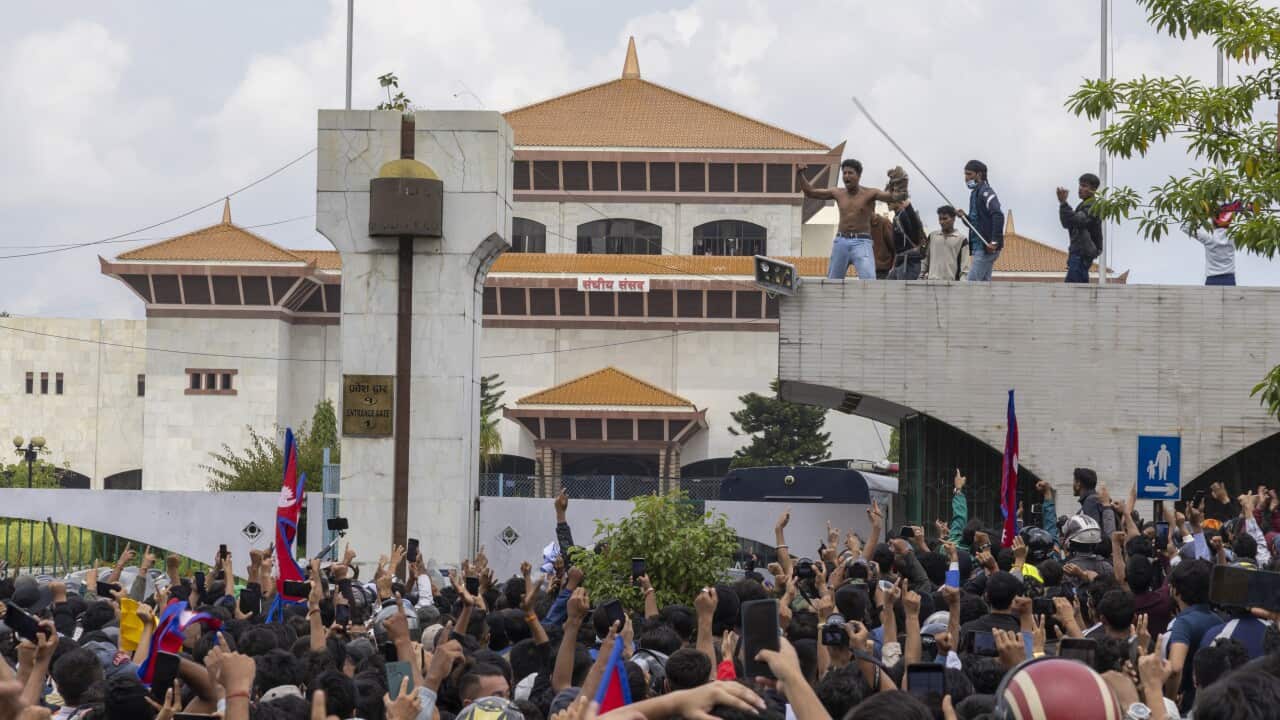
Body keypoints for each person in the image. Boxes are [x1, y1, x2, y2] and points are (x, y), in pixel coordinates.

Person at [797, 160, 908, 281]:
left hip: (862, 242)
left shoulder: (870, 193)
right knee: (833, 282)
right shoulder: (837, 193)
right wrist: (800, 173)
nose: (846, 176)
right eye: (844, 173)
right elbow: (810, 192)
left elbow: (893, 196)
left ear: (859, 176)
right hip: (841, 241)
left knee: (869, 281)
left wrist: (897, 183)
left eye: (850, 173)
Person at [960, 160, 1004, 281]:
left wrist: (994, 242)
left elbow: (998, 215)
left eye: (969, 174)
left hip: (985, 247)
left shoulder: (986, 192)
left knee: (971, 285)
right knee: (984, 286)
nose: (966, 178)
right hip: (979, 247)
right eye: (965, 174)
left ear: (979, 175)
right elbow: (974, 224)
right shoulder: (975, 194)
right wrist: (964, 217)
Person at [1057, 173, 1103, 283]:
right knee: (1079, 293)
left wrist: (1064, 203)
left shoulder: (1092, 206)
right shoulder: (1083, 205)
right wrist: (1063, 205)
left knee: (1072, 293)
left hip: (1081, 256)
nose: (1080, 189)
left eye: (1084, 186)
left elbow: (1078, 221)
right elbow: (1067, 223)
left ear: (1094, 190)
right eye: (1080, 185)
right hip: (1078, 256)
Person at [1183, 201, 1240, 286]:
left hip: (1212, 278)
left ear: (1213, 222)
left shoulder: (1209, 237)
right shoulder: (1234, 236)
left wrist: (1198, 211)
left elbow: (1186, 227)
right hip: (1229, 278)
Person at [920, 206, 970, 281]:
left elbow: (965, 267)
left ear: (953, 219)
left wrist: (962, 284)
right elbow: (925, 259)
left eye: (945, 219)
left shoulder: (962, 239)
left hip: (952, 284)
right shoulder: (932, 236)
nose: (942, 222)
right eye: (940, 219)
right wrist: (921, 276)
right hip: (932, 282)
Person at [886, 198, 925, 280]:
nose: (887, 201)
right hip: (900, 261)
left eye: (891, 197)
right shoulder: (897, 216)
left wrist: (909, 208)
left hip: (909, 263)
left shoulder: (905, 214)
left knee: (903, 290)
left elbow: (916, 233)